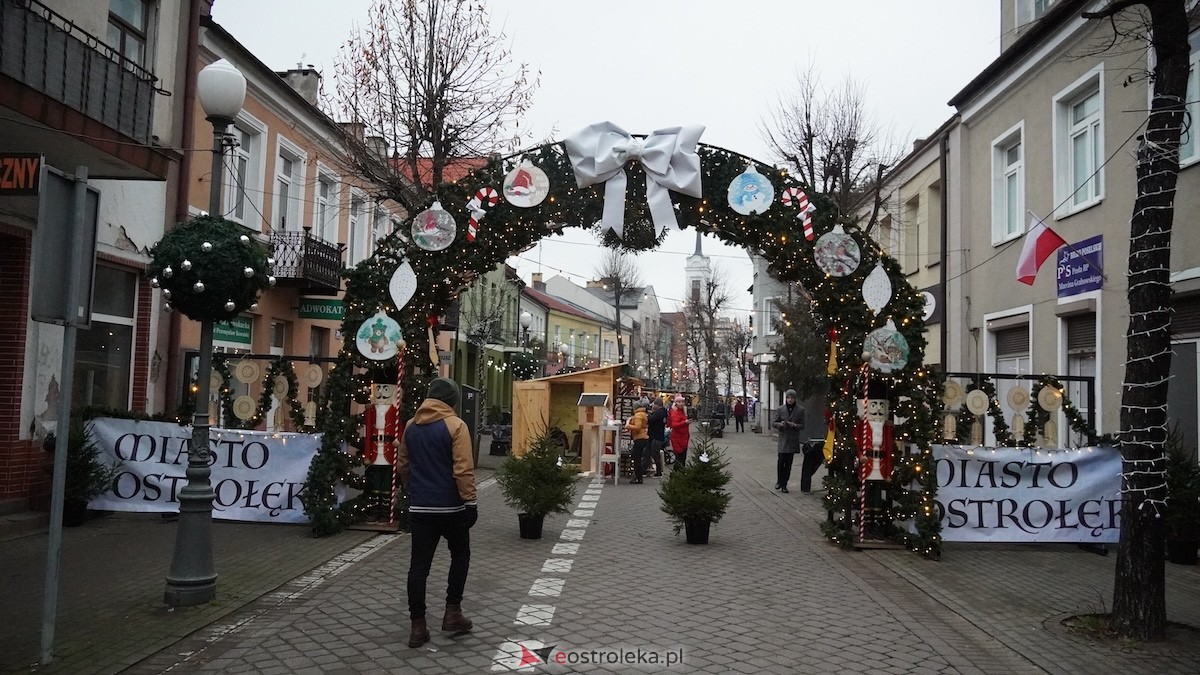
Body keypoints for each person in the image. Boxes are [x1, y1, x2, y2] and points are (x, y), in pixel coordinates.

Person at [396, 377, 477, 648]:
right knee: (460, 554)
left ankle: (417, 627)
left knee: (418, 567)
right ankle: (452, 612)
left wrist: (414, 490)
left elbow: (403, 466)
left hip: (420, 508)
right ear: (451, 400)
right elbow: (463, 469)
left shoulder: (410, 427)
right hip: (451, 507)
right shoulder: (456, 426)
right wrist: (470, 502)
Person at [773, 389, 804, 493]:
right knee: (781, 461)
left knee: (789, 463)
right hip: (783, 438)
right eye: (788, 398)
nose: (790, 400)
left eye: (792, 398)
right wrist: (780, 424)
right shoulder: (780, 409)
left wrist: (795, 425)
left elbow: (803, 425)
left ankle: (784, 484)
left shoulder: (800, 410)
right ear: (786, 398)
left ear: (795, 399)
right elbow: (774, 422)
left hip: (792, 440)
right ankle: (779, 481)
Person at [624, 399, 650, 484]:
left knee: (636, 458)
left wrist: (628, 426)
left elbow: (638, 427)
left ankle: (639, 478)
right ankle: (638, 477)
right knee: (637, 458)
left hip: (640, 438)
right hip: (643, 437)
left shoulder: (638, 415)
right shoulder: (642, 414)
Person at [645, 398, 667, 477]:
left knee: (655, 454)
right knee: (649, 453)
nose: (653, 406)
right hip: (657, 436)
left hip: (656, 436)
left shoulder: (658, 413)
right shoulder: (663, 412)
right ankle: (646, 469)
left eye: (654, 404)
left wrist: (649, 415)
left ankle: (658, 472)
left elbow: (650, 420)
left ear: (657, 405)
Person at [668, 394, 691, 468]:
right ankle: (676, 475)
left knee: (682, 458)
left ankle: (680, 474)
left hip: (683, 438)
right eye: (679, 402)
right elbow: (674, 425)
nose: (681, 403)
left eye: (682, 402)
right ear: (676, 403)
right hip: (678, 439)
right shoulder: (675, 412)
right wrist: (685, 422)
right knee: (679, 459)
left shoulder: (683, 411)